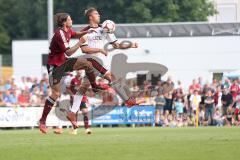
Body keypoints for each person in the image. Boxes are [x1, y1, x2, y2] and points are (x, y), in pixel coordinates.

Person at [39, 12, 104, 134]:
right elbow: (68, 52)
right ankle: (42, 121)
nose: (72, 20)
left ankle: (94, 86)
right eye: (70, 19)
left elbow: (76, 34)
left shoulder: (68, 30)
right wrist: (80, 43)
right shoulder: (60, 34)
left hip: (63, 62)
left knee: (87, 64)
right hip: (55, 66)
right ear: (64, 22)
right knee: (55, 94)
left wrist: (87, 32)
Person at [78, 7, 139, 107]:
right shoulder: (84, 31)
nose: (99, 15)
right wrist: (99, 50)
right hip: (90, 62)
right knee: (111, 77)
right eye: (96, 14)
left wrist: (131, 45)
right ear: (90, 17)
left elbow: (117, 45)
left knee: (83, 88)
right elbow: (84, 50)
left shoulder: (105, 29)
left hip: (98, 62)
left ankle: (72, 111)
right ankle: (128, 101)